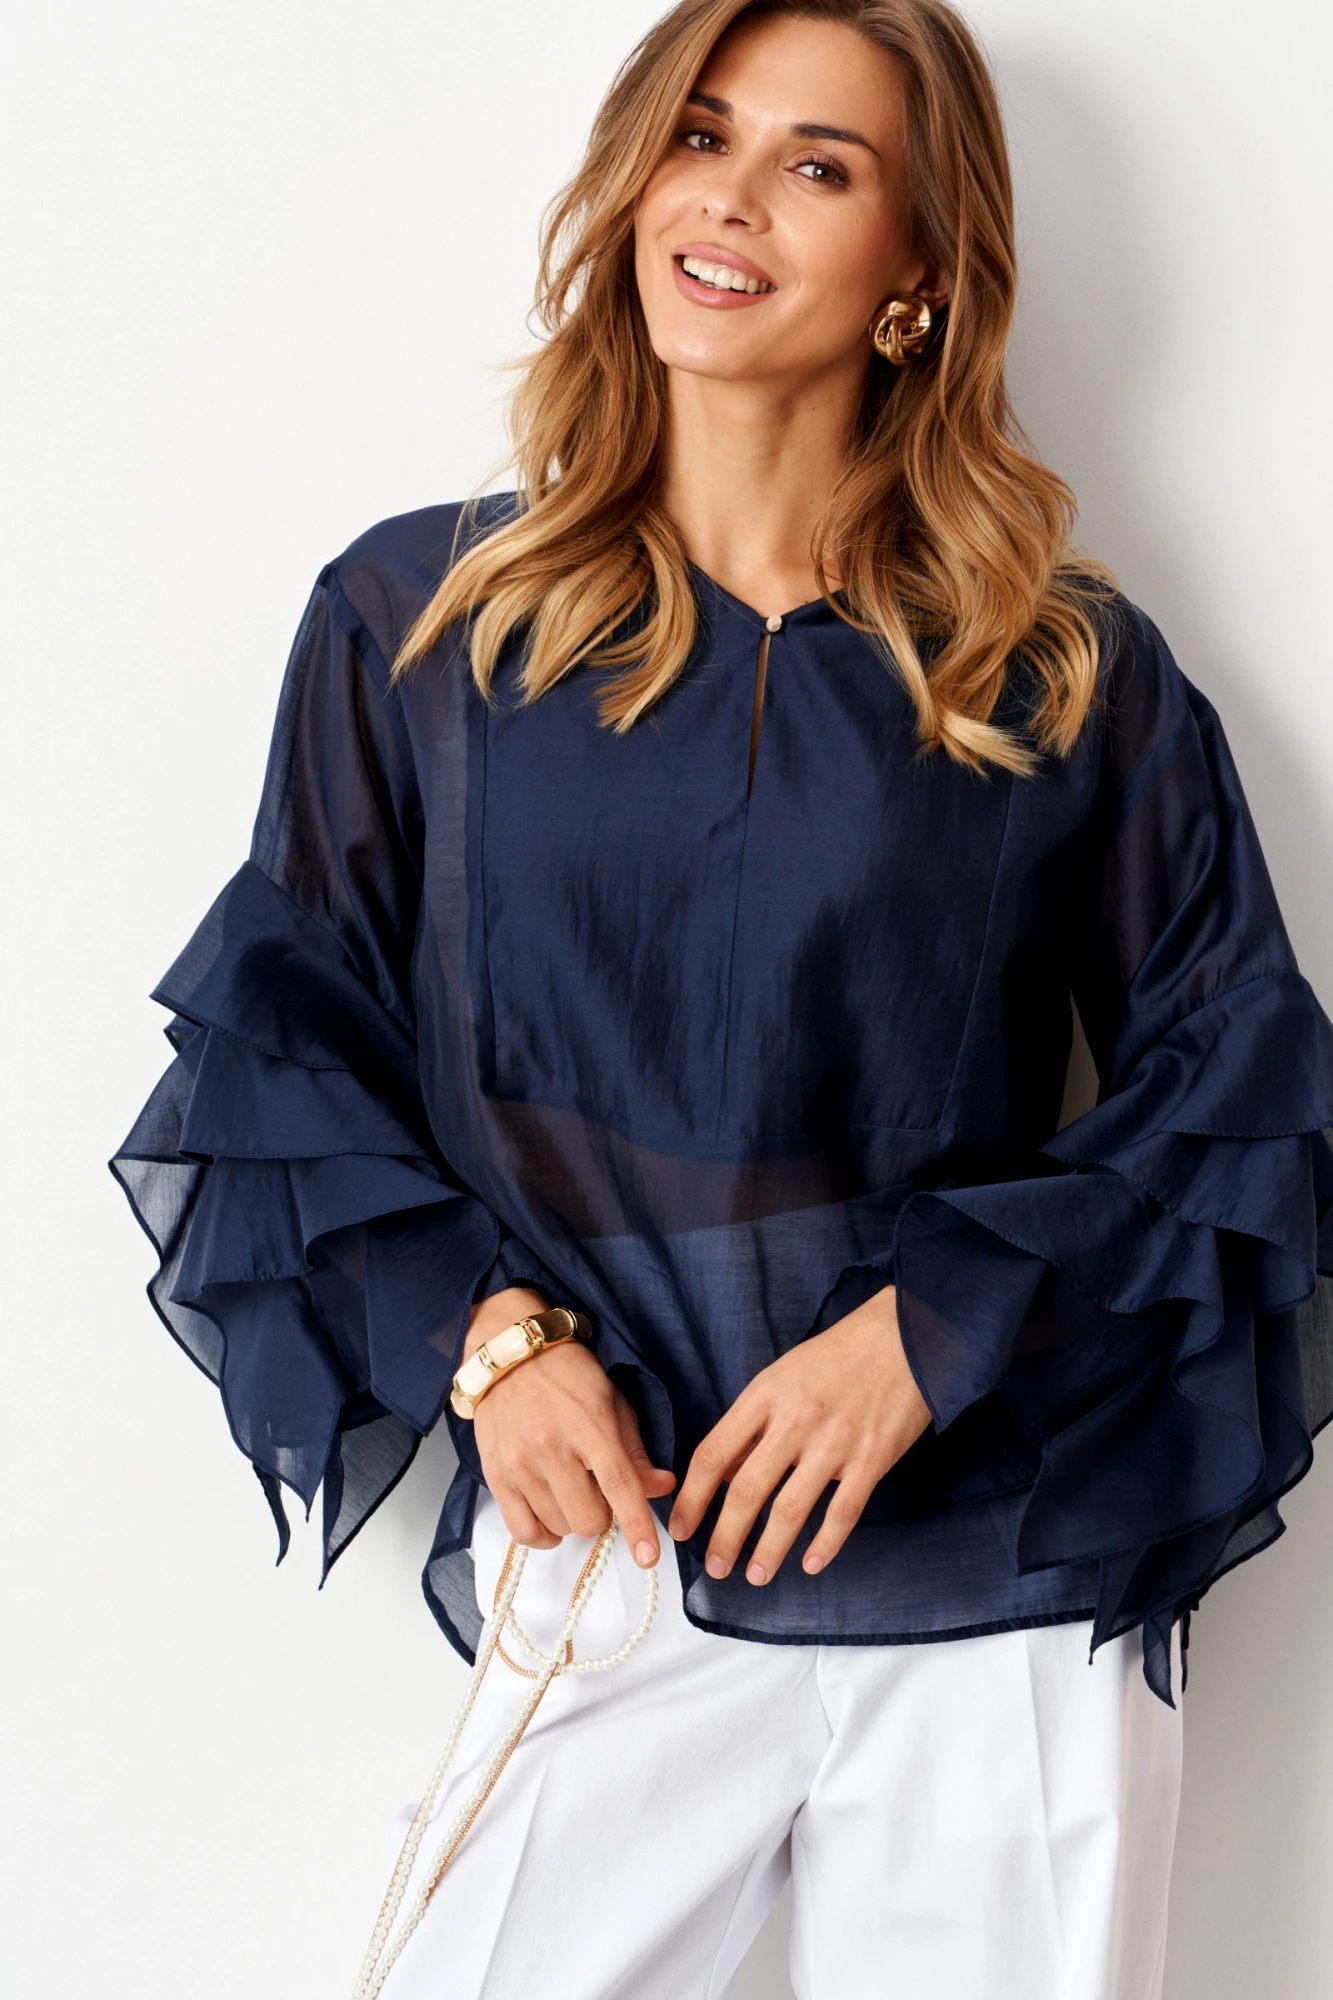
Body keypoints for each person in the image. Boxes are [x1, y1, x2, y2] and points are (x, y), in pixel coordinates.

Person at [111, 1, 1333, 1995]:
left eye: (818, 164)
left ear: (917, 274)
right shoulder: (424, 629)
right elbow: (281, 1054)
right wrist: (489, 1341)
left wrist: (931, 1335)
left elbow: (1238, 1087)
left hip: (998, 1588)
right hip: (612, 1558)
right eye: (700, 134)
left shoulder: (1054, 673)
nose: (733, 197)